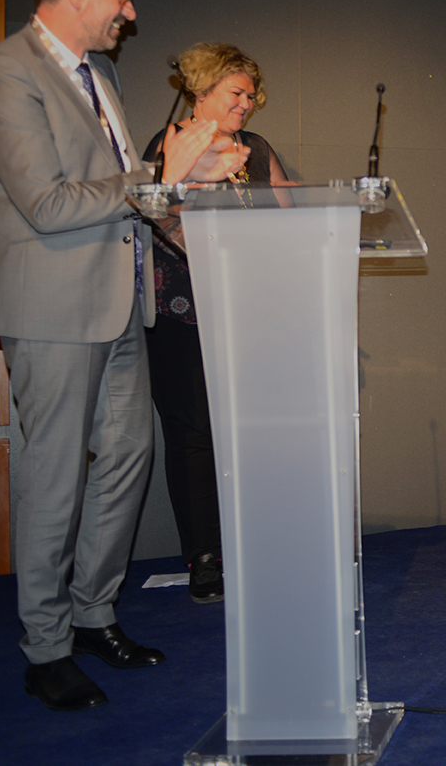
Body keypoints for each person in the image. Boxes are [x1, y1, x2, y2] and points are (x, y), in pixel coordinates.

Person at [0, 0, 246, 711]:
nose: (131, 10)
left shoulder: (104, 75)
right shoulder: (4, 72)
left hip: (123, 301)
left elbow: (134, 195)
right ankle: (45, 646)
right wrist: (161, 172)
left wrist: (188, 191)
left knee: (128, 456)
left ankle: (93, 614)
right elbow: (48, 203)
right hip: (53, 306)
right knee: (53, 476)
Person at [141, 42, 291, 605]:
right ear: (201, 90)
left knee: (252, 433)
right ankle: (205, 557)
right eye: (237, 92)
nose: (247, 103)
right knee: (194, 436)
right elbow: (159, 215)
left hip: (251, 315)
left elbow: (288, 216)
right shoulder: (171, 144)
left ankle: (256, 545)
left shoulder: (257, 148)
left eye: (252, 95)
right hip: (184, 316)